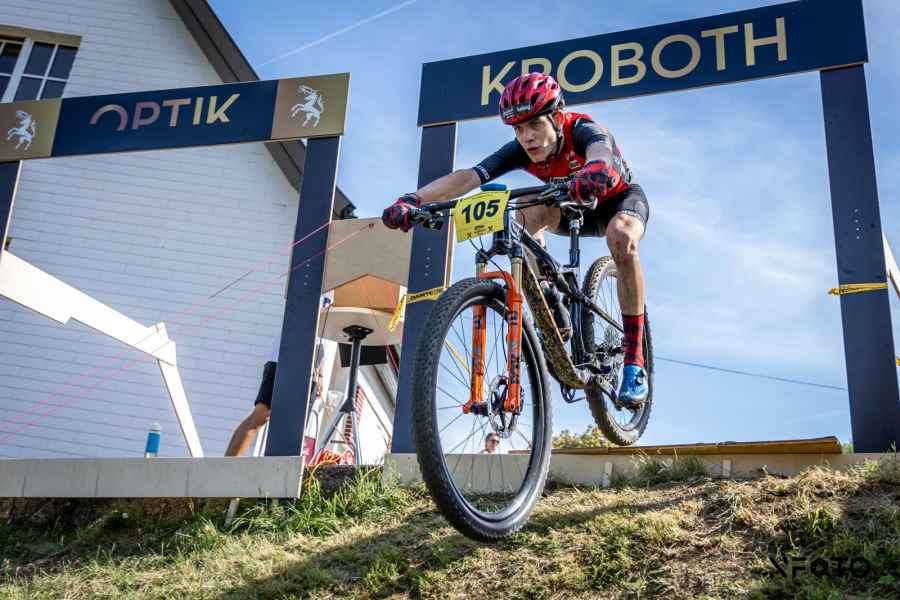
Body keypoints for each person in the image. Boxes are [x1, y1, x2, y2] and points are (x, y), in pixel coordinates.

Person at [382, 73, 649, 407]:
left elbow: (601, 151)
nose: (527, 137)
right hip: (569, 204)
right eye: (518, 129)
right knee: (521, 210)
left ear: (557, 117)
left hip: (616, 201)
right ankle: (549, 297)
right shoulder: (522, 149)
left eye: (535, 124)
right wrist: (414, 199)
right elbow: (469, 177)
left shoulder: (582, 130)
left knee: (621, 236)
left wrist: (594, 170)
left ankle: (635, 361)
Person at [224, 334, 327, 457]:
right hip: (286, 353)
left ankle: (278, 467)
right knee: (261, 414)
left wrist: (320, 375)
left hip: (313, 367)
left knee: (295, 429)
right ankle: (227, 463)